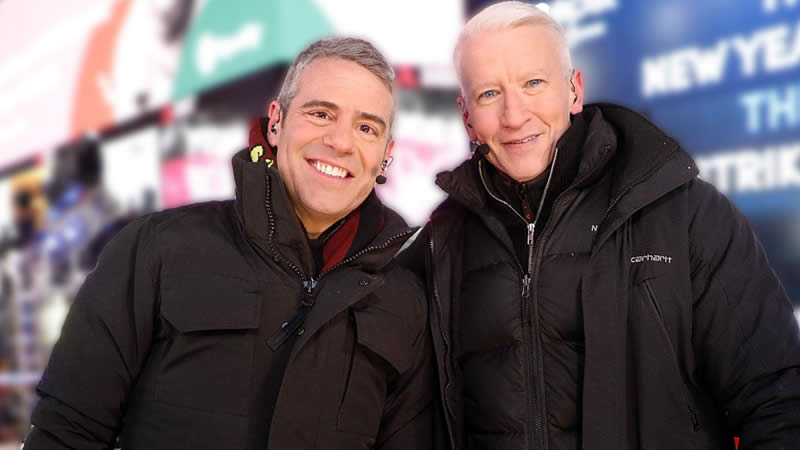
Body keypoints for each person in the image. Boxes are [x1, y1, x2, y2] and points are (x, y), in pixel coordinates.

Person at [402, 2, 800, 449]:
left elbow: (778, 397)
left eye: (533, 83)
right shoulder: (443, 240)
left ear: (573, 90)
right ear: (465, 114)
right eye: (489, 94)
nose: (514, 116)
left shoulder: (683, 211)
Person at [24, 37, 434, 450]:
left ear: (385, 154)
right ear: (276, 121)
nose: (341, 142)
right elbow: (65, 434)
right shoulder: (159, 250)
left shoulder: (406, 303)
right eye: (321, 113)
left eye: (366, 127)